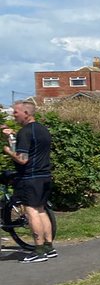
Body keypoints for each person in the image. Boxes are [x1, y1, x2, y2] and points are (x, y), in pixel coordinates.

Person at [2, 100, 55, 262]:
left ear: (26, 113)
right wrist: (10, 136)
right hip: (44, 175)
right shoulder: (42, 129)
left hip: (30, 178)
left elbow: (23, 159)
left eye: (16, 112)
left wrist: (9, 152)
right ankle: (48, 247)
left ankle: (38, 251)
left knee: (31, 211)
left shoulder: (25, 132)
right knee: (41, 210)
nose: (13, 114)